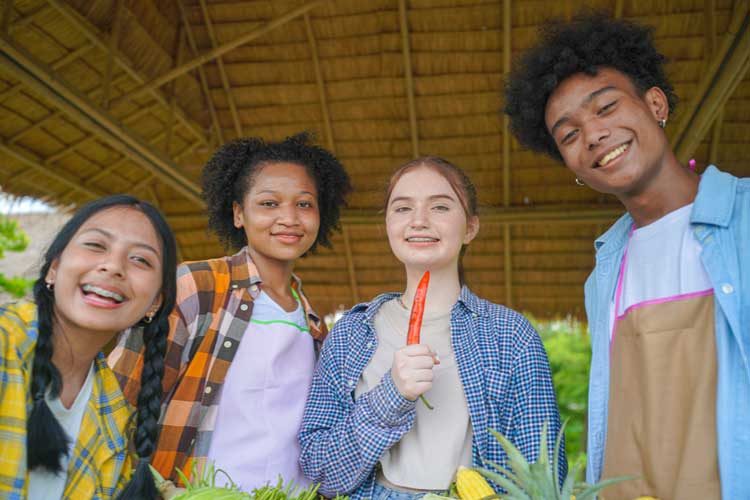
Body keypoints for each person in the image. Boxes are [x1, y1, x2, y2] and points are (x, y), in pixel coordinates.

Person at [504, 13, 750, 500]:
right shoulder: (606, 269)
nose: (593, 135)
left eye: (606, 107)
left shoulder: (743, 220)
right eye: (568, 135)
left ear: (655, 103)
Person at [299, 157, 564, 500]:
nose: (419, 221)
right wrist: (390, 395)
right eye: (402, 208)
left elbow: (543, 479)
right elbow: (321, 472)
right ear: (387, 225)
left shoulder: (510, 335)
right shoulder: (351, 332)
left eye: (440, 206)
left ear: (470, 227)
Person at [109, 132, 352, 491]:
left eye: (304, 204)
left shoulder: (315, 325)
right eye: (269, 204)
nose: (289, 218)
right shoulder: (196, 286)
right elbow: (116, 399)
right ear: (238, 213)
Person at [0, 195, 177, 500]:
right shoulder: (5, 341)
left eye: (141, 260)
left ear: (155, 303)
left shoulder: (114, 418)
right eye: (96, 245)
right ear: (54, 269)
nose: (113, 266)